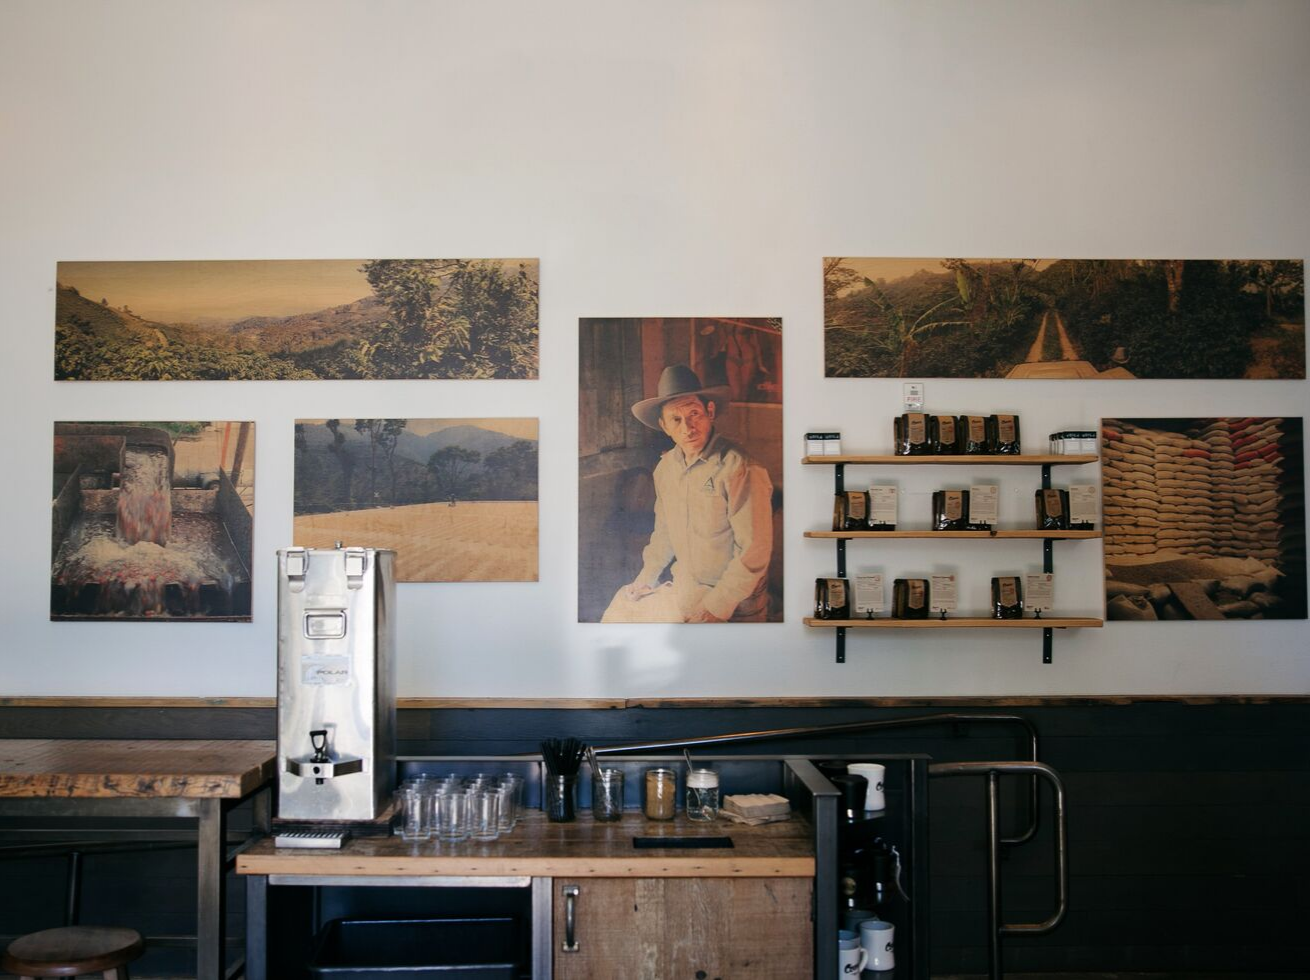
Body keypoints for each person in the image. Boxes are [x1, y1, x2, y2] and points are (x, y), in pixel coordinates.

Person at [601, 364, 774, 623]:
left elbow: (754, 550)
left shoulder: (740, 467)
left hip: (735, 601)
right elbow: (664, 533)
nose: (688, 428)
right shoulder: (666, 469)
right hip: (688, 591)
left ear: (710, 412)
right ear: (664, 425)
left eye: (694, 413)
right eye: (676, 419)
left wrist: (717, 607)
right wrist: (646, 577)